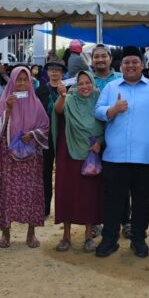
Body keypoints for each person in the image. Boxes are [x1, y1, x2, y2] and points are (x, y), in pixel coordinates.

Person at [94, 46, 149, 258]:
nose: (131, 65)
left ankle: (138, 239)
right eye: (127, 62)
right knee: (113, 199)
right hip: (115, 156)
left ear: (142, 64)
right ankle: (109, 239)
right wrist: (113, 110)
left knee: (142, 199)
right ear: (120, 66)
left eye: (135, 62)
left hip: (147, 156)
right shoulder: (111, 88)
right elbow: (99, 111)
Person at [0, 67, 50, 248]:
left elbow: (45, 126)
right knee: (7, 193)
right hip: (8, 156)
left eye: (26, 80)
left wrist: (32, 134)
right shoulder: (4, 101)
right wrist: (8, 109)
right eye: (18, 80)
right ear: (12, 81)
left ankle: (31, 234)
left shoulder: (36, 103)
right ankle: (5, 233)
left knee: (31, 193)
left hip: (31, 158)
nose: (22, 83)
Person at [52, 70, 105, 252]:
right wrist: (62, 96)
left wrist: (99, 141)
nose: (84, 86)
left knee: (90, 195)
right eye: (80, 83)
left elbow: (107, 123)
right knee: (67, 192)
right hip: (69, 152)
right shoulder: (70, 98)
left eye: (87, 82)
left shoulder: (100, 98)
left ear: (92, 83)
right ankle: (66, 236)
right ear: (76, 85)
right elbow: (58, 110)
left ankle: (88, 236)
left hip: (92, 153)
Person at [36, 59, 66, 217]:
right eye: (51, 69)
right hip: (45, 137)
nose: (54, 72)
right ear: (47, 72)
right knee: (45, 173)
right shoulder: (40, 90)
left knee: (64, 174)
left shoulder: (69, 89)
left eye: (58, 69)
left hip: (63, 136)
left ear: (62, 72)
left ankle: (64, 209)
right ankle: (45, 208)